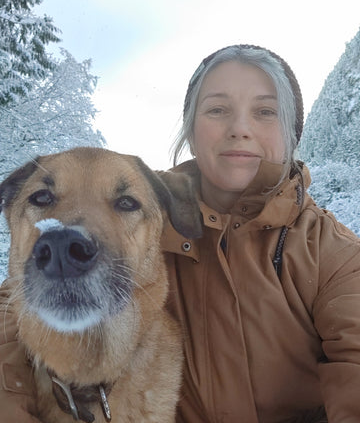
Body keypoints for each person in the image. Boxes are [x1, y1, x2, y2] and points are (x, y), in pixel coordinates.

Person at [0, 44, 360, 422]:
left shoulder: (333, 253)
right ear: (191, 128)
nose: (240, 128)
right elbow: (12, 303)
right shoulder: (158, 209)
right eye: (218, 110)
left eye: (265, 112)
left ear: (291, 134)